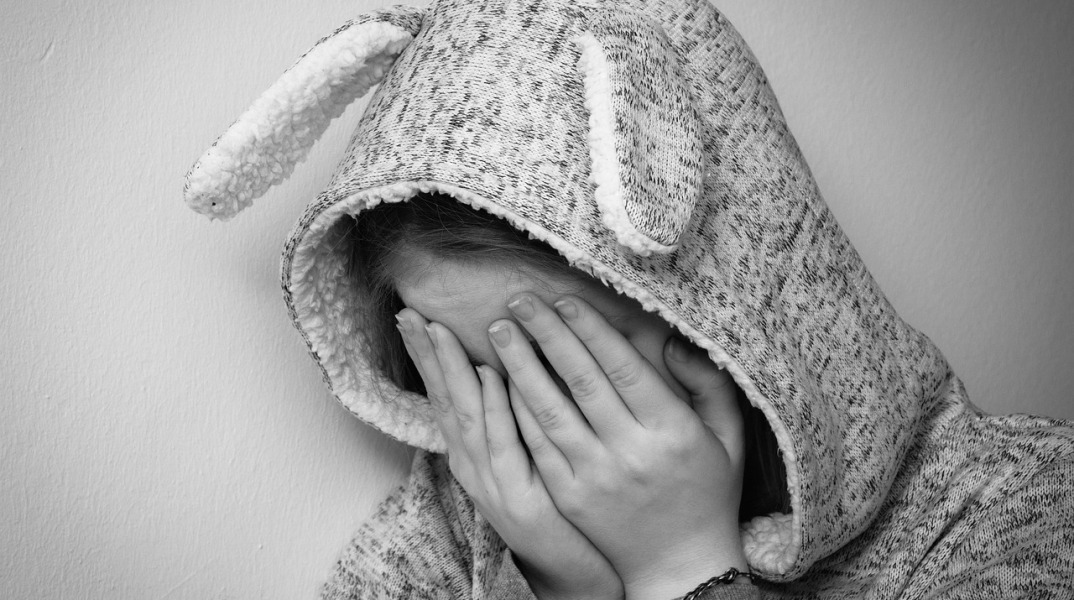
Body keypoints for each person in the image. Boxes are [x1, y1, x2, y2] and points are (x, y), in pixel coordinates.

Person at [183, 0, 1074, 598]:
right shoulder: (466, 527)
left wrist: (680, 569)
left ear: (732, 313)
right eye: (482, 373)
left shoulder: (1020, 513)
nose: (543, 428)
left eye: (578, 358)